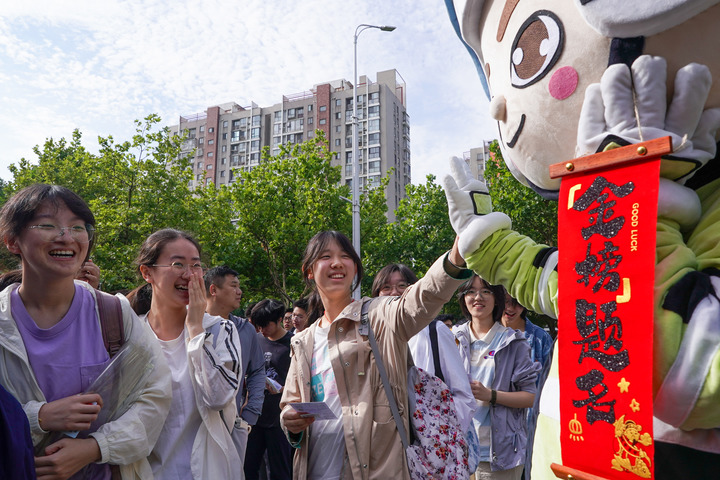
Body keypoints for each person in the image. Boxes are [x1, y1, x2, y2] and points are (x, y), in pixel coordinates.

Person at [0, 184, 171, 480]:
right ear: (12, 241)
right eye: (47, 225)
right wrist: (36, 417)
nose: (66, 237)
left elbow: (155, 397)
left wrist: (95, 447)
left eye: (78, 227)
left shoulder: (114, 314)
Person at [280, 231, 471, 479]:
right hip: (314, 469)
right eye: (326, 256)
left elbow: (421, 298)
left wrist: (455, 258)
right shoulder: (302, 341)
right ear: (309, 270)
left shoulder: (380, 315)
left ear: (355, 268)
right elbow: (289, 404)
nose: (337, 263)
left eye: (345, 256)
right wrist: (290, 422)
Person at [128, 228, 242, 479]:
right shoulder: (131, 332)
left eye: (196, 265)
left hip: (208, 470)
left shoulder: (220, 329)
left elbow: (218, 398)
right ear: (147, 272)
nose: (189, 275)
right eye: (177, 264)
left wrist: (196, 330)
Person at [371, 263, 476, 433]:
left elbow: (464, 397)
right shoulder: (369, 337)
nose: (394, 292)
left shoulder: (436, 331)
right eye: (386, 287)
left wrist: (438, 431)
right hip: (385, 441)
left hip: (430, 443)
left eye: (401, 285)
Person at [453, 275, 538, 479]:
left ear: (497, 298)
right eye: (471, 292)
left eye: (486, 291)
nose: (477, 297)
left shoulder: (514, 342)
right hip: (458, 451)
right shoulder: (452, 338)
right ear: (464, 298)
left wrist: (491, 395)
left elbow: (531, 397)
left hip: (500, 456)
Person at [204, 266, 266, 470]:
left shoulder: (245, 329)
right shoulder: (193, 325)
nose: (239, 292)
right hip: (199, 425)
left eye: (239, 286)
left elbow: (257, 370)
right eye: (234, 286)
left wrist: (250, 414)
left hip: (234, 425)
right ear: (213, 290)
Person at [244, 299, 293, 480]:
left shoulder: (293, 344)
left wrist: (282, 389)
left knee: (279, 471)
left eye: (266, 325)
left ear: (279, 319)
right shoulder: (256, 340)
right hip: (254, 415)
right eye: (259, 326)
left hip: (278, 419)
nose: (262, 330)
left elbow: (302, 381)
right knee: (248, 467)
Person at [501, 290, 552, 373]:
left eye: (517, 302)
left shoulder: (541, 338)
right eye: (506, 301)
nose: (510, 308)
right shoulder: (487, 333)